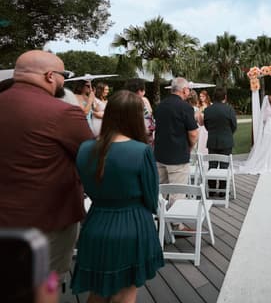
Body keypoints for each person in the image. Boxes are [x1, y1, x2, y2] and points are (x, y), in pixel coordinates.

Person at [0, 50, 93, 278]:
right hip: (47, 222)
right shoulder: (63, 113)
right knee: (45, 284)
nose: (64, 81)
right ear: (50, 76)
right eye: (63, 74)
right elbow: (92, 159)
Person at [71, 90, 164, 302]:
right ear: (135, 116)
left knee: (98, 293)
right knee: (125, 294)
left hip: (95, 224)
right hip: (133, 225)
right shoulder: (141, 151)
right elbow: (151, 198)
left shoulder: (85, 148)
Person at [154, 77, 198, 211]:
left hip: (160, 154)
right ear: (184, 90)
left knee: (160, 190)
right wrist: (190, 146)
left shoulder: (160, 105)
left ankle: (160, 219)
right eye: (188, 90)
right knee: (177, 193)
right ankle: (176, 225)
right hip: (178, 156)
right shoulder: (185, 107)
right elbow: (193, 133)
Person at [239, 95, 271, 174]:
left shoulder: (267, 109)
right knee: (267, 147)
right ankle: (265, 163)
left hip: (268, 129)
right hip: (268, 130)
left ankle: (269, 162)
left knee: (269, 146)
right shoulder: (268, 109)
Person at [203, 87, 237, 170]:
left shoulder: (207, 110)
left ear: (214, 97)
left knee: (212, 166)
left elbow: (206, 125)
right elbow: (234, 126)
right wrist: (228, 133)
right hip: (226, 142)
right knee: (224, 167)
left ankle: (211, 183)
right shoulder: (229, 109)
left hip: (212, 142)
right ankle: (223, 183)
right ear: (225, 97)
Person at [124, 78, 155, 145]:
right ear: (139, 91)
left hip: (149, 136)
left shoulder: (145, 100)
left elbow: (150, 116)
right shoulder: (128, 103)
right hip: (136, 138)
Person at [197, 89, 212, 155]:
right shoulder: (198, 105)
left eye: (202, 96)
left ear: (206, 96)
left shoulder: (210, 105)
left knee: (206, 139)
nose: (201, 98)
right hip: (200, 126)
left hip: (207, 125)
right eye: (200, 96)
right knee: (200, 141)